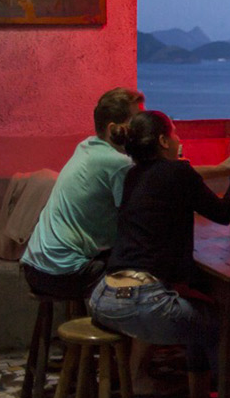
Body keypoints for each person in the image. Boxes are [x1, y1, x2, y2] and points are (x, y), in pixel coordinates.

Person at [89, 111, 230, 398]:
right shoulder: (178, 172)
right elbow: (224, 213)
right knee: (222, 327)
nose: (180, 140)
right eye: (176, 134)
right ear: (163, 141)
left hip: (104, 296)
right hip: (142, 300)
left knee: (200, 314)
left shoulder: (133, 175)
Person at [21, 87, 145, 300]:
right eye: (135, 122)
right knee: (144, 280)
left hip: (34, 268)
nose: (142, 129)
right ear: (114, 128)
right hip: (64, 273)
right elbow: (136, 220)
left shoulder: (87, 146)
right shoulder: (117, 163)